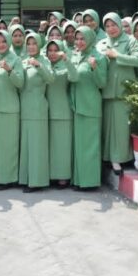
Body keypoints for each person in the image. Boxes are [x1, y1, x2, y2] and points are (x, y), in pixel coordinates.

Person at [98, 12, 138, 175]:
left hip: (123, 91)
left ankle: (120, 159)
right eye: (107, 26)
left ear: (119, 24)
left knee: (122, 129)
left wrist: (118, 56)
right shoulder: (102, 43)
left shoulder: (130, 40)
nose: (111, 29)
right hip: (106, 92)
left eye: (114, 25)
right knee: (108, 128)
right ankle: (109, 158)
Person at [0, 30, 23, 188]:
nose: (1, 44)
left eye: (4, 41)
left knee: (8, 147)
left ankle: (7, 178)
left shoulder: (15, 59)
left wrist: (9, 70)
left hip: (8, 109)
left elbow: (20, 83)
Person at [70, 27, 107, 189]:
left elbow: (102, 83)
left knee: (91, 146)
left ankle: (90, 182)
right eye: (77, 38)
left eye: (83, 38)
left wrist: (94, 68)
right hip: (78, 106)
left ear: (91, 38)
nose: (79, 42)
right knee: (79, 146)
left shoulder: (98, 57)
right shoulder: (77, 55)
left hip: (91, 107)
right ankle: (79, 180)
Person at [19, 33, 54, 191]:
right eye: (29, 44)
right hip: (24, 107)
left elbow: (50, 79)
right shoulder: (23, 62)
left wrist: (39, 66)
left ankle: (37, 181)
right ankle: (26, 179)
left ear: (40, 45)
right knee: (26, 145)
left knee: (37, 146)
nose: (31, 46)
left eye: (34, 43)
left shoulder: (44, 61)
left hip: (38, 108)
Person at [45, 39, 78, 187]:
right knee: (51, 146)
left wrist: (67, 59)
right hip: (46, 111)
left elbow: (75, 77)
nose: (52, 53)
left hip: (62, 111)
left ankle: (63, 176)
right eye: (49, 50)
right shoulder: (44, 65)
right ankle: (51, 174)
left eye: (55, 50)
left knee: (62, 146)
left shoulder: (65, 65)